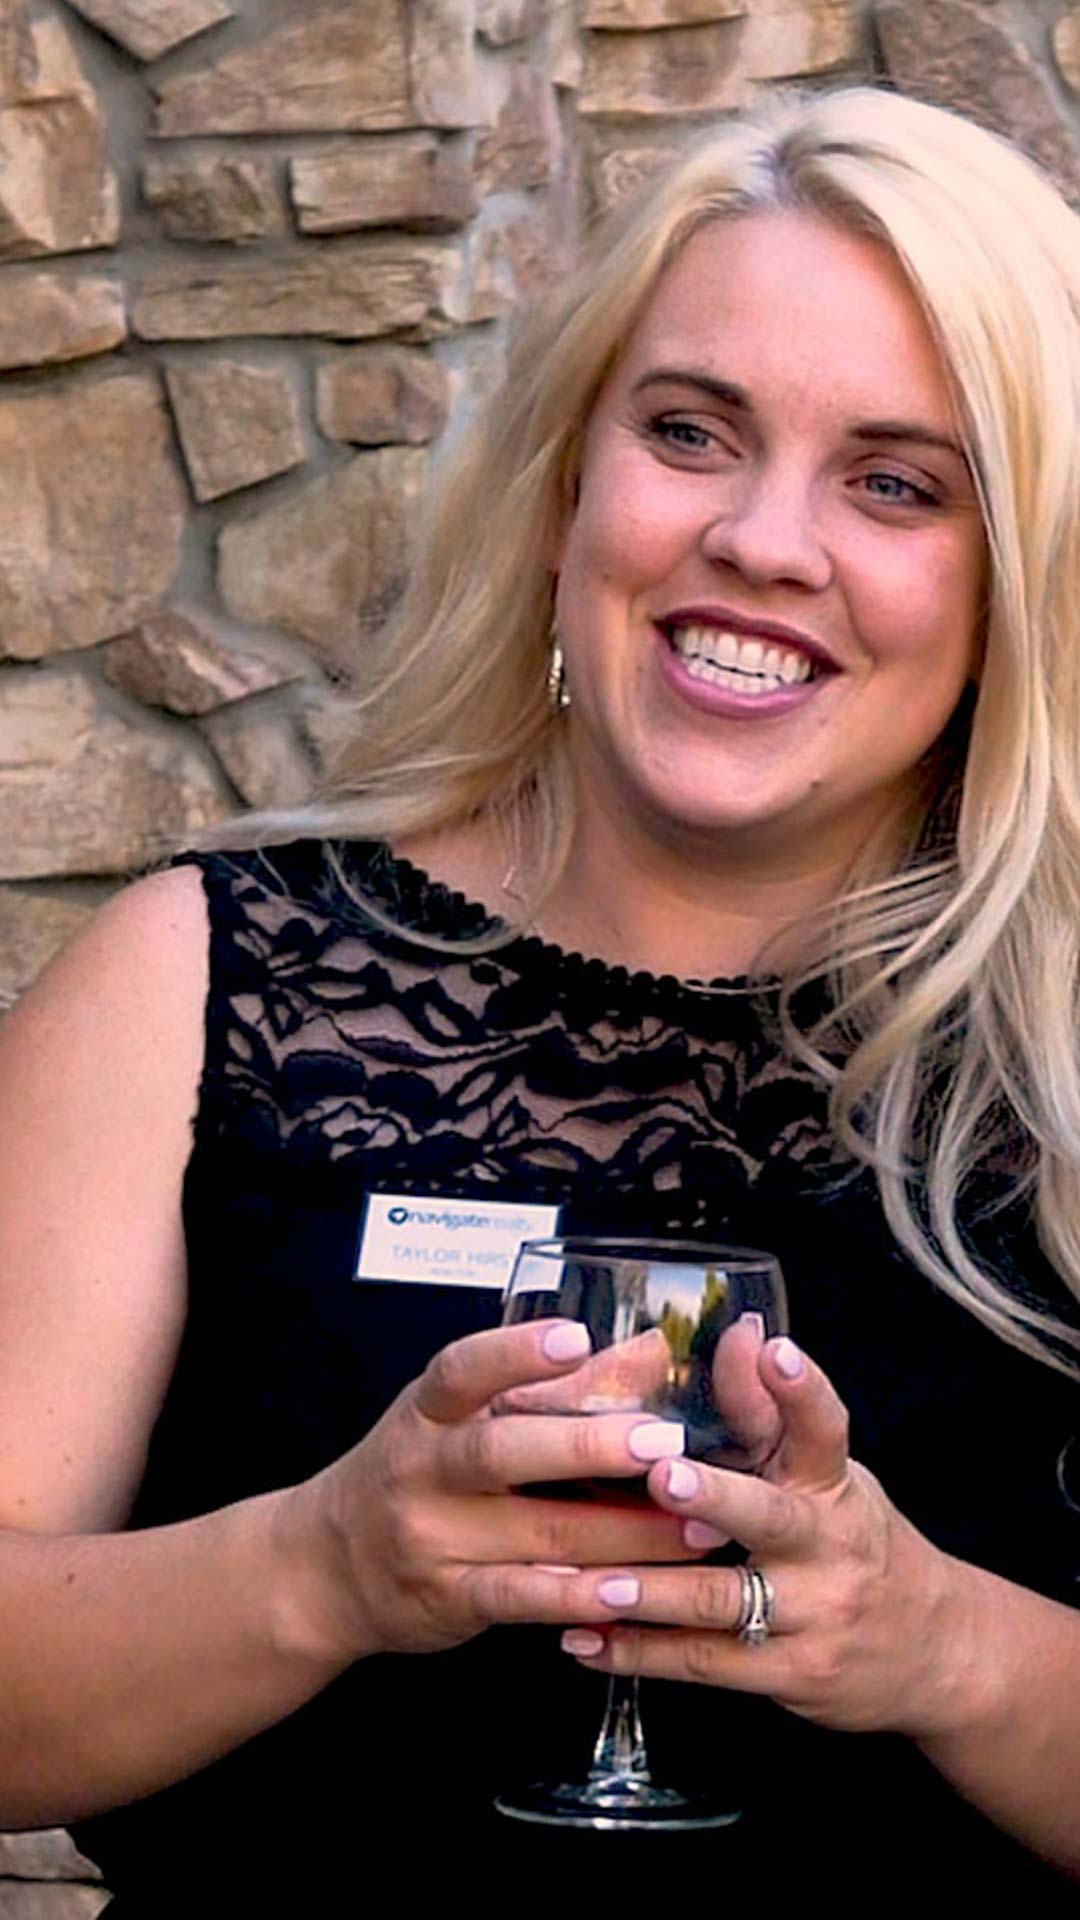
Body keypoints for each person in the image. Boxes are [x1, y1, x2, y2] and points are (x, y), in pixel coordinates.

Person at [1, 82, 1079, 1907]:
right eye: (691, 432)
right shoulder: (198, 983)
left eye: (897, 483)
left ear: (1019, 580)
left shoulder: (1059, 1060)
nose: (765, 540)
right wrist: (323, 1567)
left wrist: (943, 1647)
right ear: (569, 481)